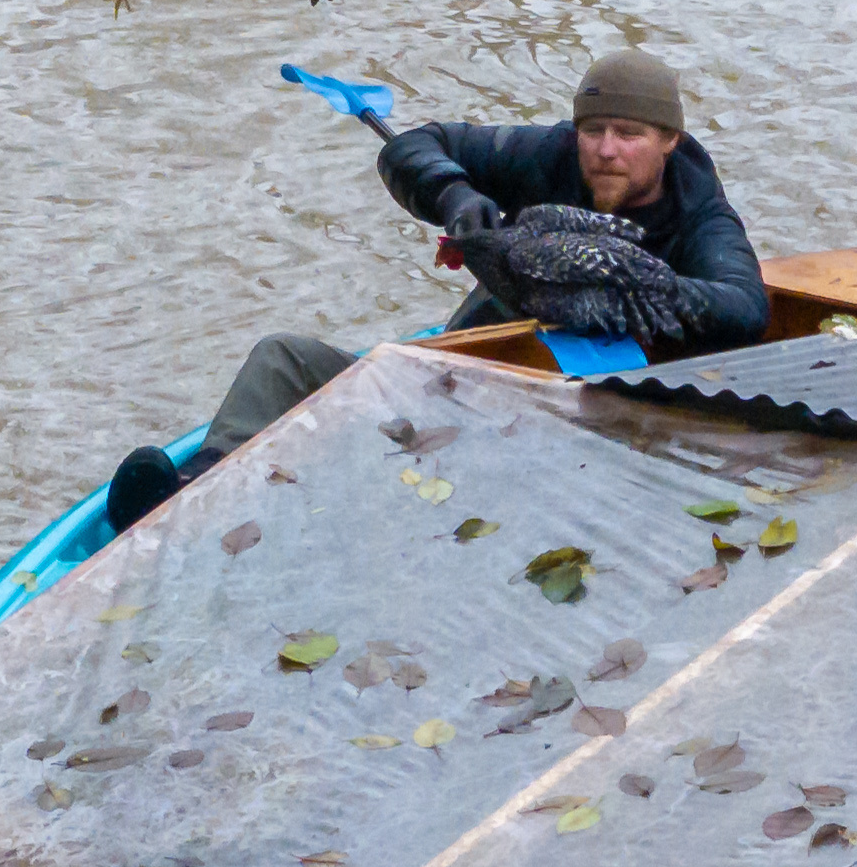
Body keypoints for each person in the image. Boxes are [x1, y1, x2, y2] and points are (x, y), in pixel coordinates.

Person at [104, 46, 764, 533]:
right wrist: (454, 192)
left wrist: (632, 292)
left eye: (629, 135)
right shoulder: (548, 154)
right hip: (458, 364)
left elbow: (744, 306)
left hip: (560, 419)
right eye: (594, 130)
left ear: (669, 141)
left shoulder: (702, 218)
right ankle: (186, 496)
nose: (606, 150)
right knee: (281, 357)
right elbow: (421, 143)